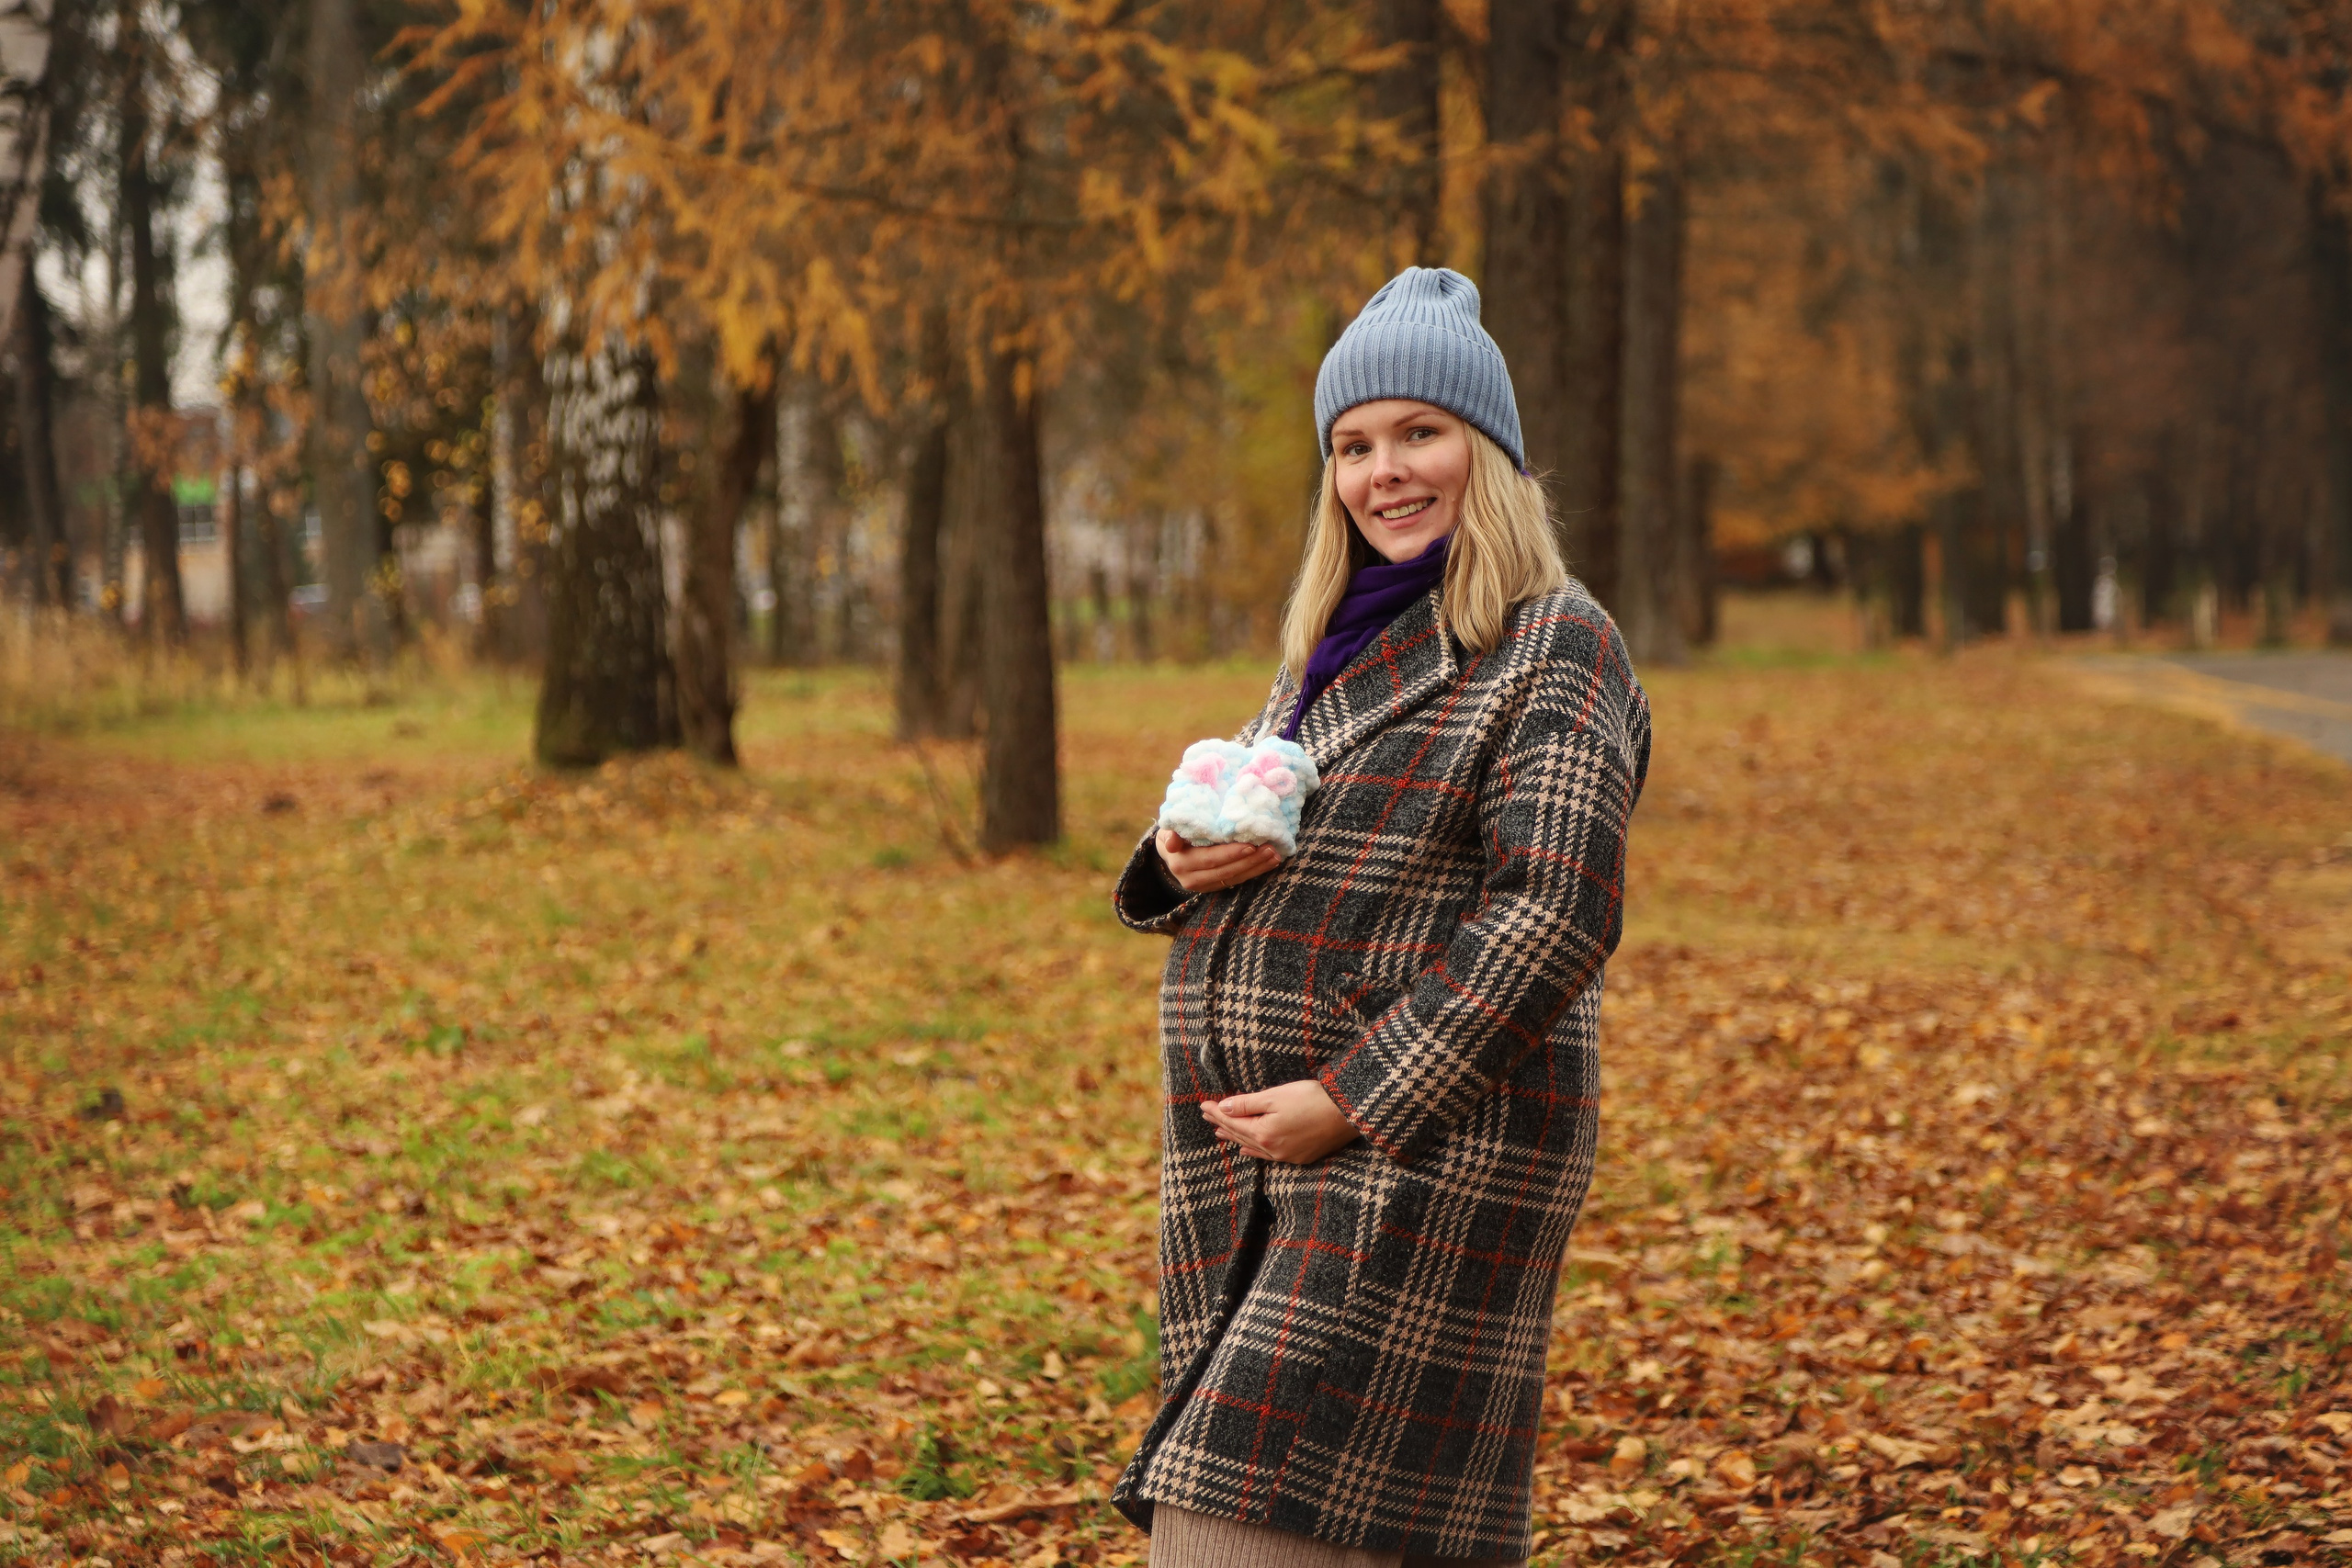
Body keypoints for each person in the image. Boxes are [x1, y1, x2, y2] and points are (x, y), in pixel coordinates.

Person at [1107, 266, 1653, 1567]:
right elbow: (1261, 814)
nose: (1384, 472)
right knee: (1348, 1519)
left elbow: (1553, 912)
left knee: (1238, 1511)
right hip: (1254, 1160)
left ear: (1490, 454)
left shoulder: (1555, 646)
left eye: (1420, 433)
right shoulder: (1332, 646)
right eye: (1353, 446)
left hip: (1419, 1144)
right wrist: (1176, 859)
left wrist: (1354, 1099)